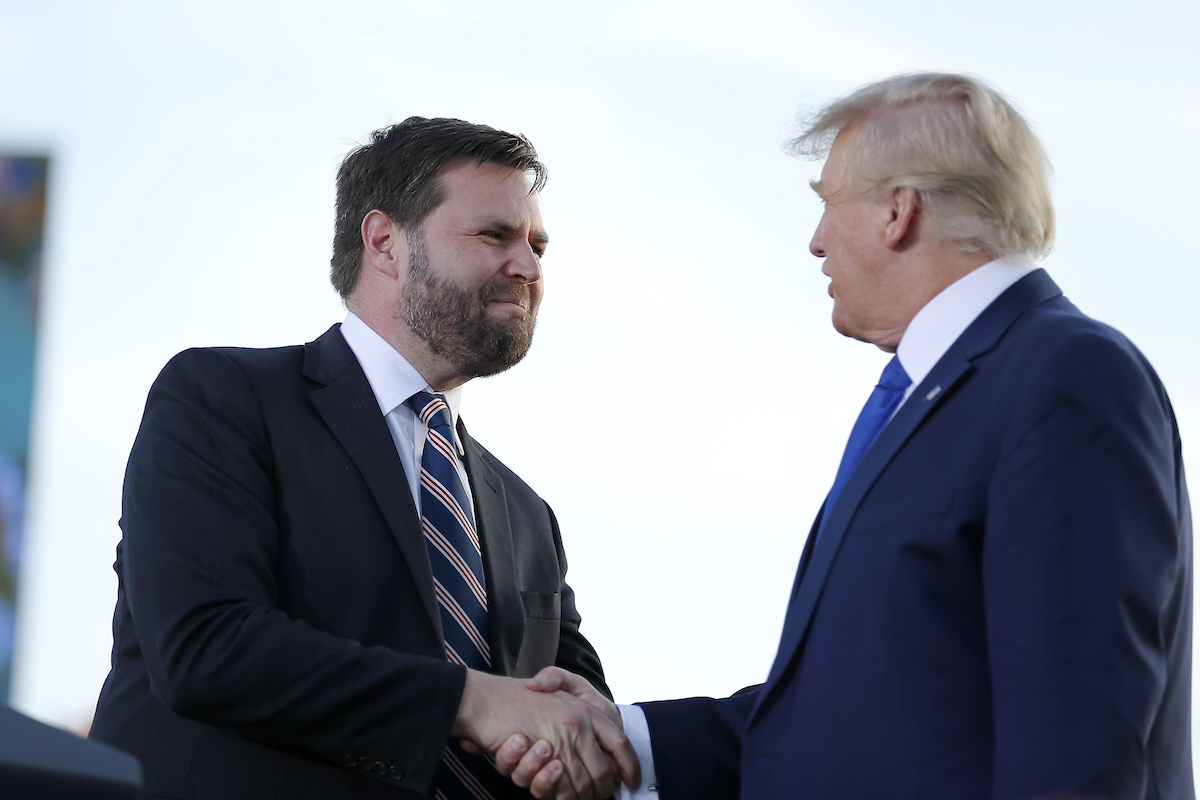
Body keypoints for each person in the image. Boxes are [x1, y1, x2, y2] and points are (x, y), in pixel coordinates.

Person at [505, 72, 1194, 799]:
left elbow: (1077, 738)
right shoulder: (936, 394)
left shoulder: (1065, 375)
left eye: (828, 204)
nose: (815, 242)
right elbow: (858, 721)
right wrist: (625, 738)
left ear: (899, 211)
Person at [90, 117, 638, 800]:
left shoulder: (529, 517)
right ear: (384, 242)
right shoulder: (222, 400)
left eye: (537, 245)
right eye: (494, 235)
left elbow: (575, 714)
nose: (528, 266)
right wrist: (473, 700)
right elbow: (206, 648)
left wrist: (570, 740)